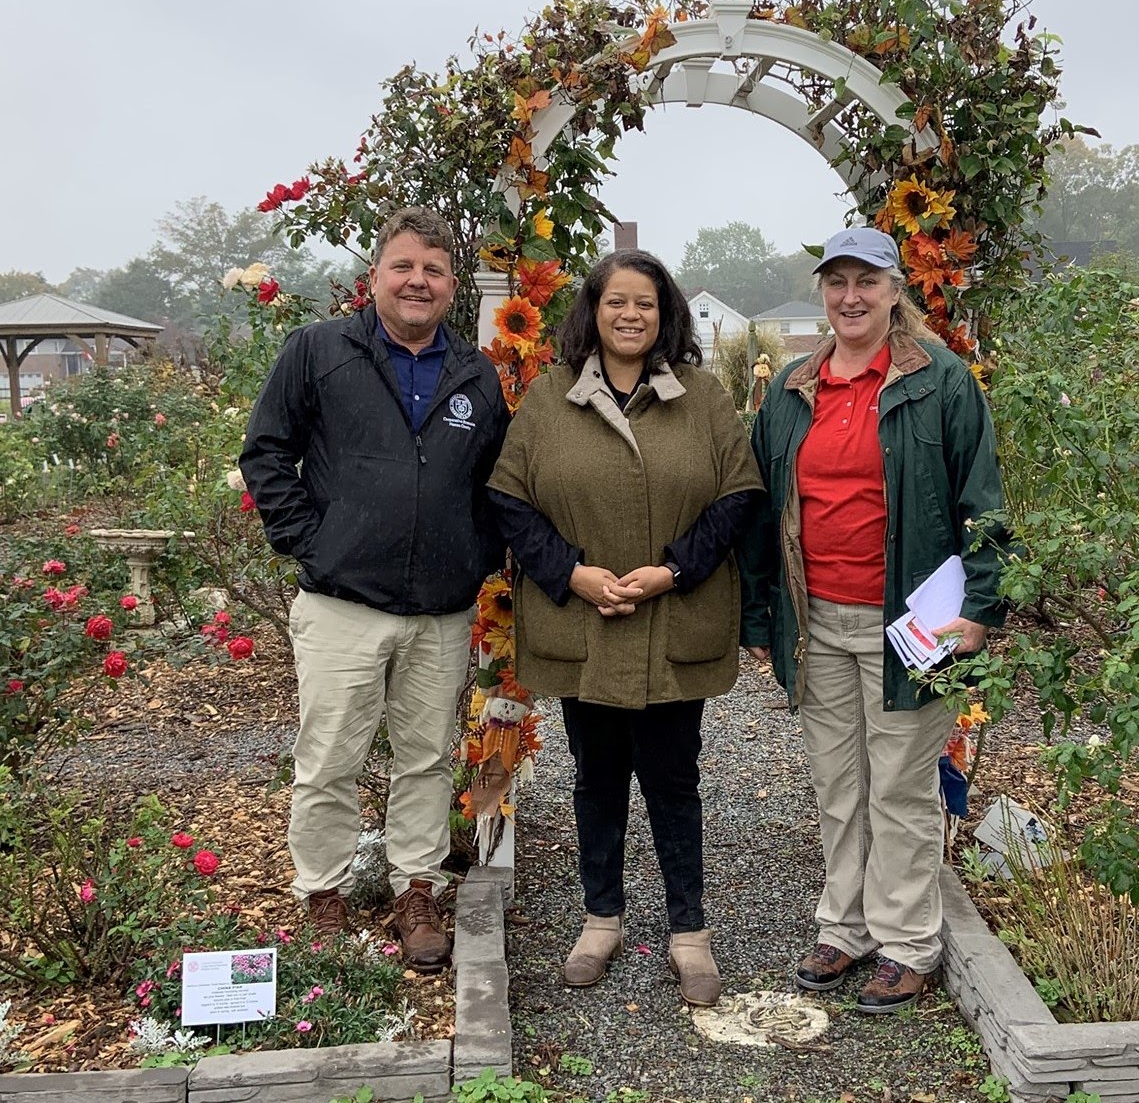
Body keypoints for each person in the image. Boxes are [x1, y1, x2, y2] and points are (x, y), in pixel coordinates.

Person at [738, 226, 1008, 1014]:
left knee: (898, 785)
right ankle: (844, 925)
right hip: (816, 618)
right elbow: (762, 512)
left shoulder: (941, 384)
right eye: (836, 282)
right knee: (838, 781)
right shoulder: (792, 388)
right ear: (822, 293)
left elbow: (981, 503)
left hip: (915, 623)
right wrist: (762, 614)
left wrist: (979, 610)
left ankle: (907, 941)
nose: (849, 297)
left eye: (867, 281)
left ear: (896, 291)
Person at [487, 249, 762, 1007]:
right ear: (593, 313)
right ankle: (599, 920)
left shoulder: (700, 397)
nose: (630, 315)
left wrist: (672, 570)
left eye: (645, 302)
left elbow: (739, 495)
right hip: (584, 621)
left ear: (665, 313)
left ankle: (689, 935)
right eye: (616, 302)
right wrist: (571, 572)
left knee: (674, 780)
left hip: (673, 616)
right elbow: (509, 499)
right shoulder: (549, 399)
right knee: (596, 776)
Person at [240, 206, 509, 971]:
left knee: (426, 758)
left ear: (451, 284)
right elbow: (267, 452)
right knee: (328, 758)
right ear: (375, 276)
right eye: (403, 266)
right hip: (341, 604)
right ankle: (322, 894)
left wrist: (475, 555)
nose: (417, 281)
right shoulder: (319, 351)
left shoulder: (473, 373)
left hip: (440, 610)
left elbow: (494, 482)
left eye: (432, 268)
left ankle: (414, 890)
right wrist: (310, 543)